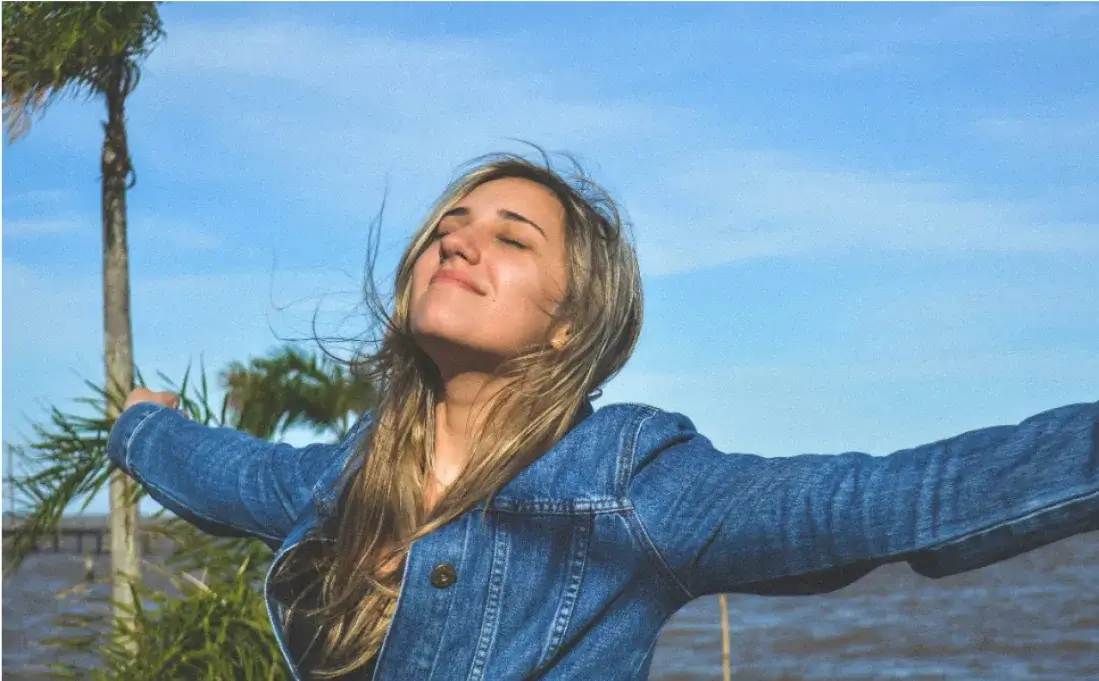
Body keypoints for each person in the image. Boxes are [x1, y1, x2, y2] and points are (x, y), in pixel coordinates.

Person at [108, 152, 1099, 681]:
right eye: (446, 228)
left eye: (509, 238)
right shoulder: (346, 478)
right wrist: (142, 426)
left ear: (567, 322)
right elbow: (219, 471)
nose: (457, 244)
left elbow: (896, 500)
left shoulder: (629, 485)